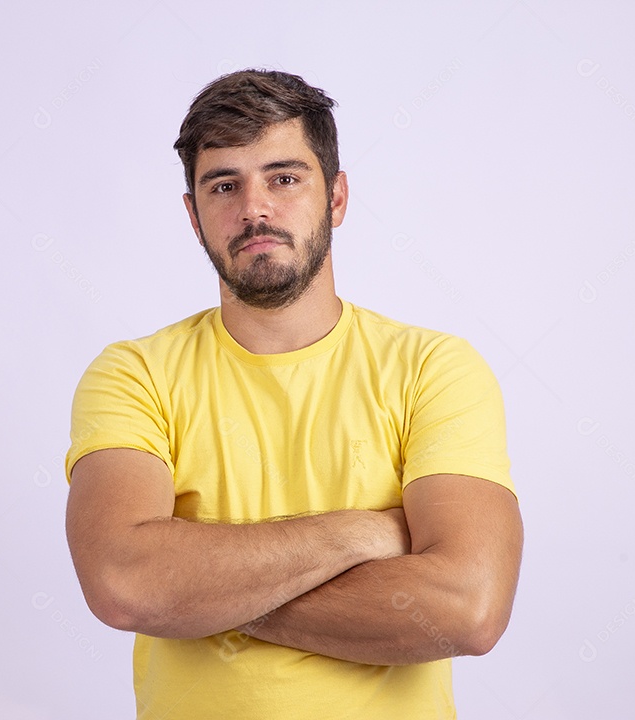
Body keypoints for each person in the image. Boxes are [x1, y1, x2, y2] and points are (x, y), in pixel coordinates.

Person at [63, 69, 523, 720]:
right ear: (194, 216)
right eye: (225, 185)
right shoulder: (134, 375)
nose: (255, 208)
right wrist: (365, 534)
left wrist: (201, 590)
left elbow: (467, 610)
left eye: (284, 178)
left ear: (335, 197)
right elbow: (124, 583)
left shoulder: (433, 369)